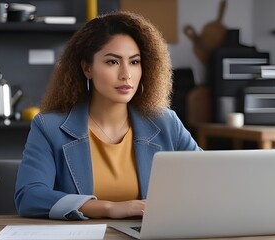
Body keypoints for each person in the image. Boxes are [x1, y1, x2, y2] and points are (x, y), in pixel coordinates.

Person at [15, 10, 201, 220]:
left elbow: (208, 177)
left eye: (134, 62)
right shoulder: (49, 127)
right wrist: (110, 208)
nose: (126, 75)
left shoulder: (166, 123)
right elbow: (29, 197)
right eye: (112, 62)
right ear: (87, 68)